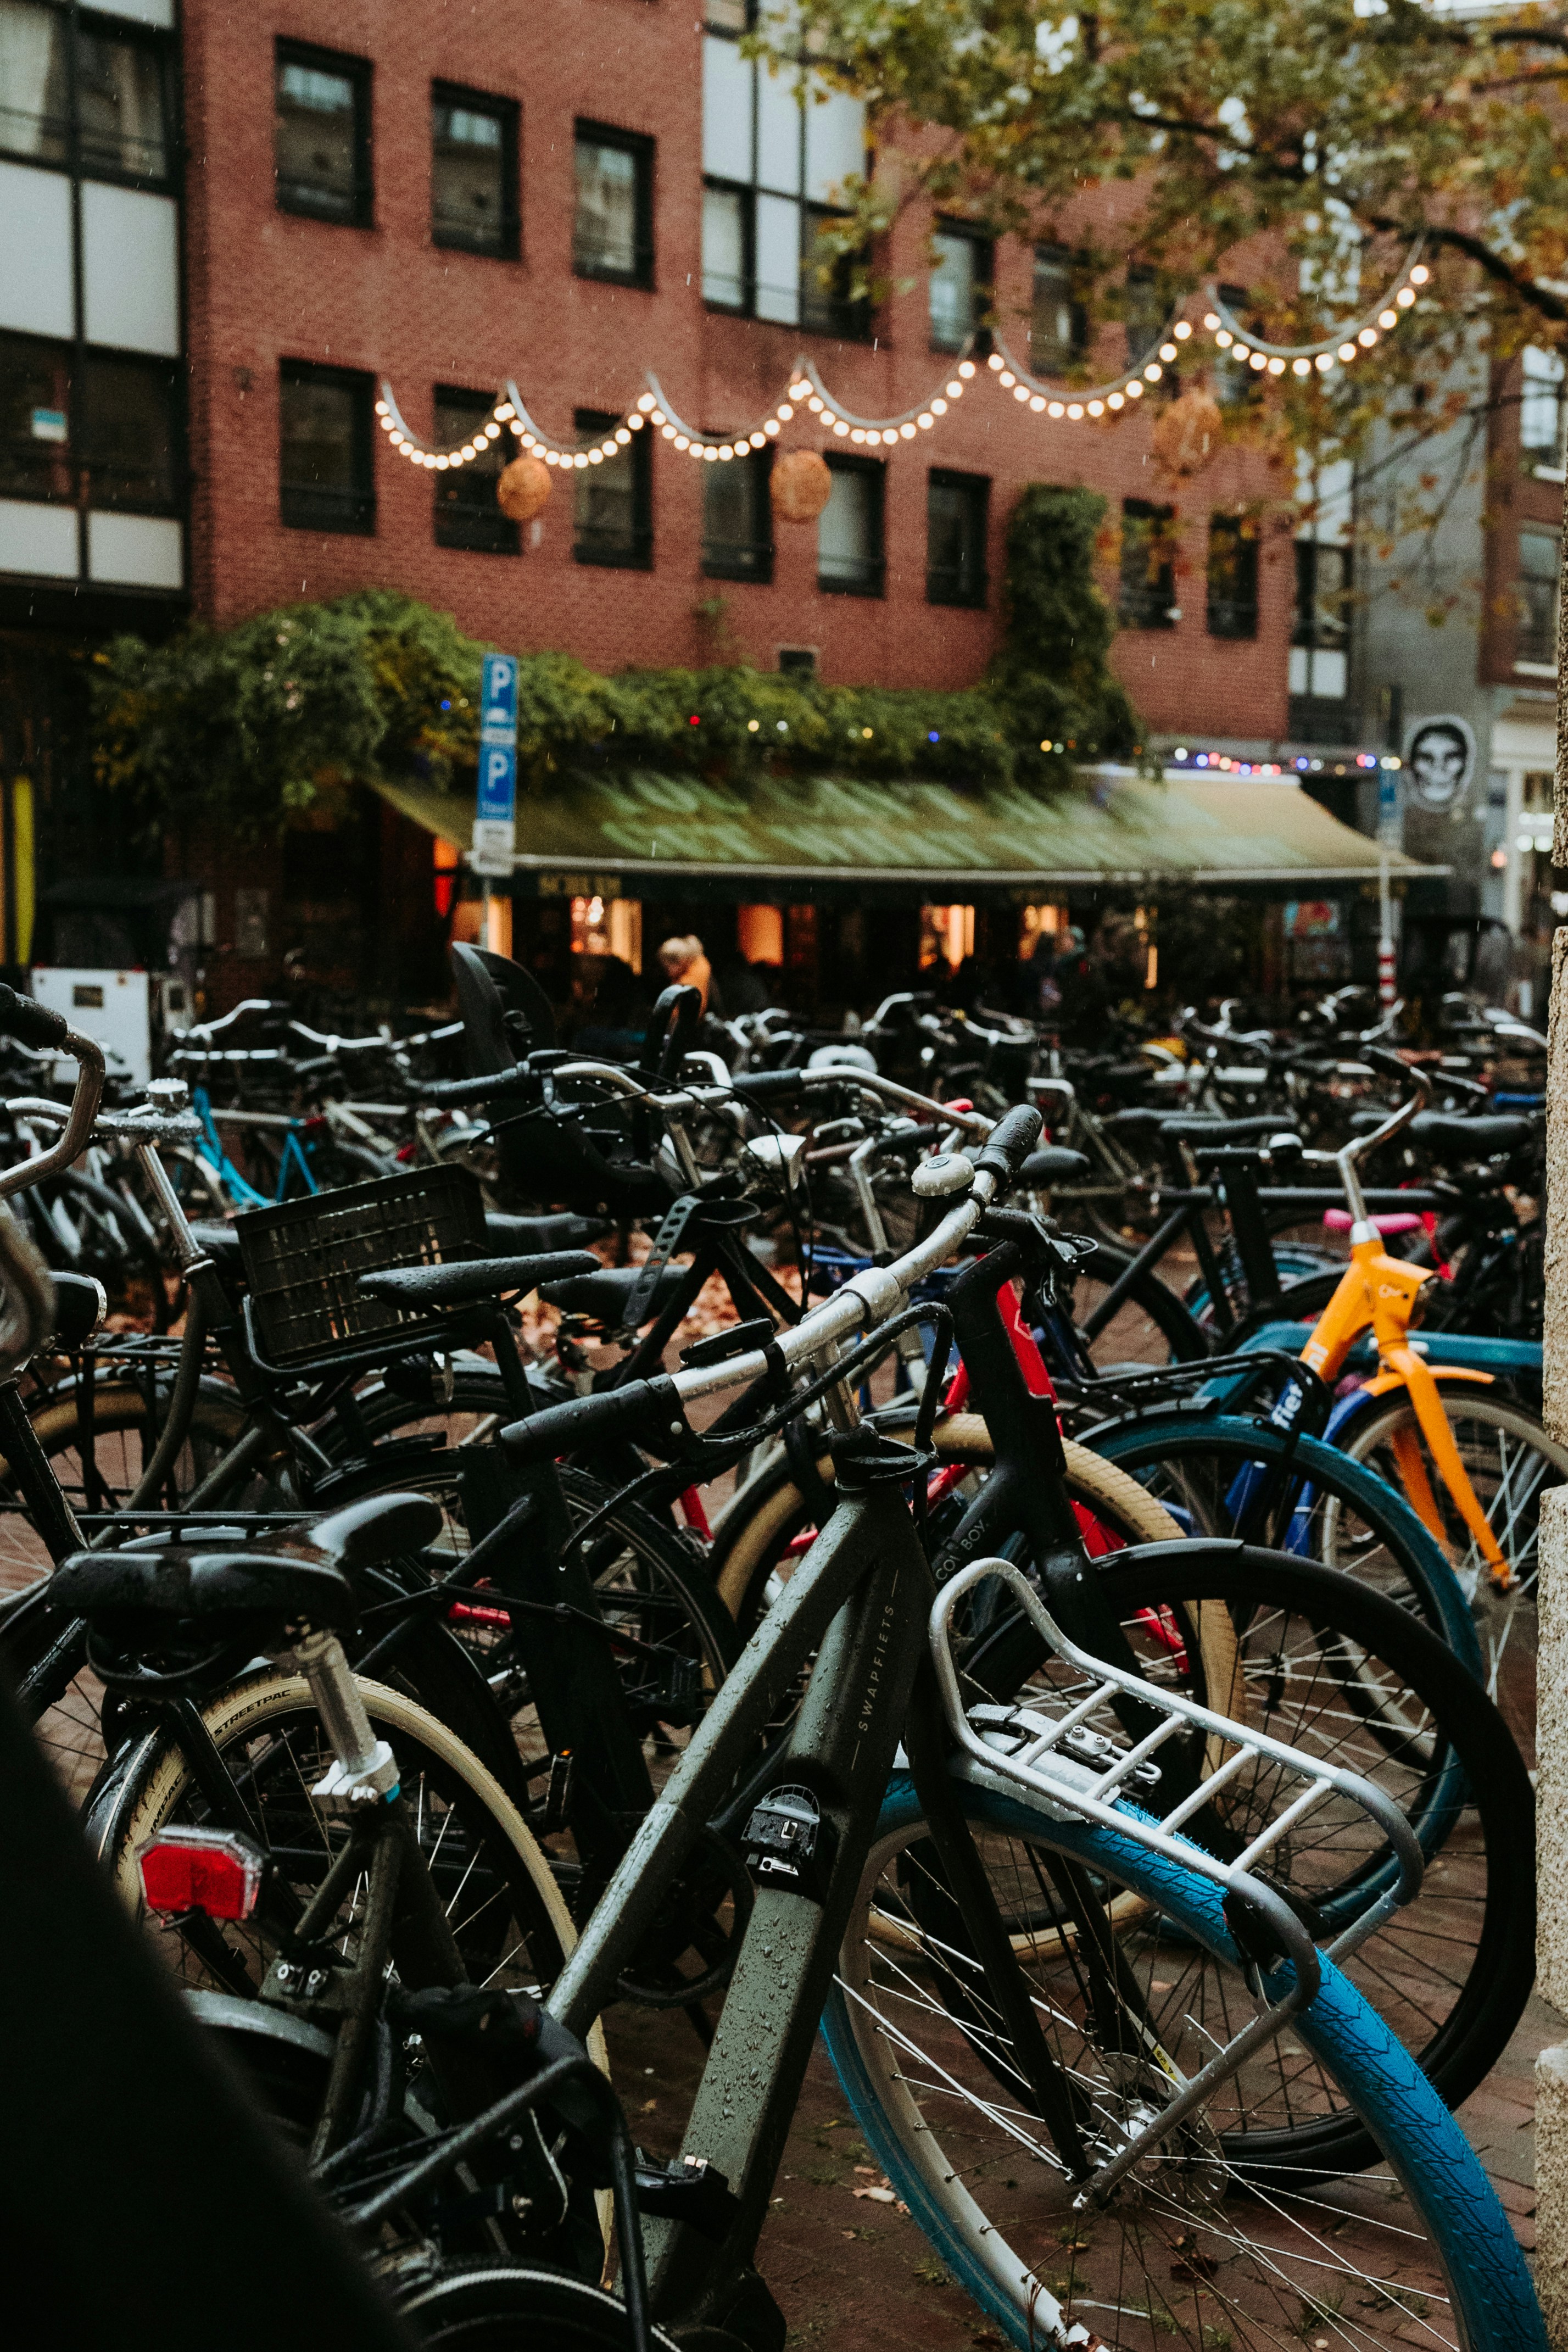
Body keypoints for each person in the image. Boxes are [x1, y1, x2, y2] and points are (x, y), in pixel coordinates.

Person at [657, 933, 722, 1017]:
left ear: (680, 961)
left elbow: (684, 1017)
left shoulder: (688, 982)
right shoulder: (700, 962)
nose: (666, 973)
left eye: (666, 968)